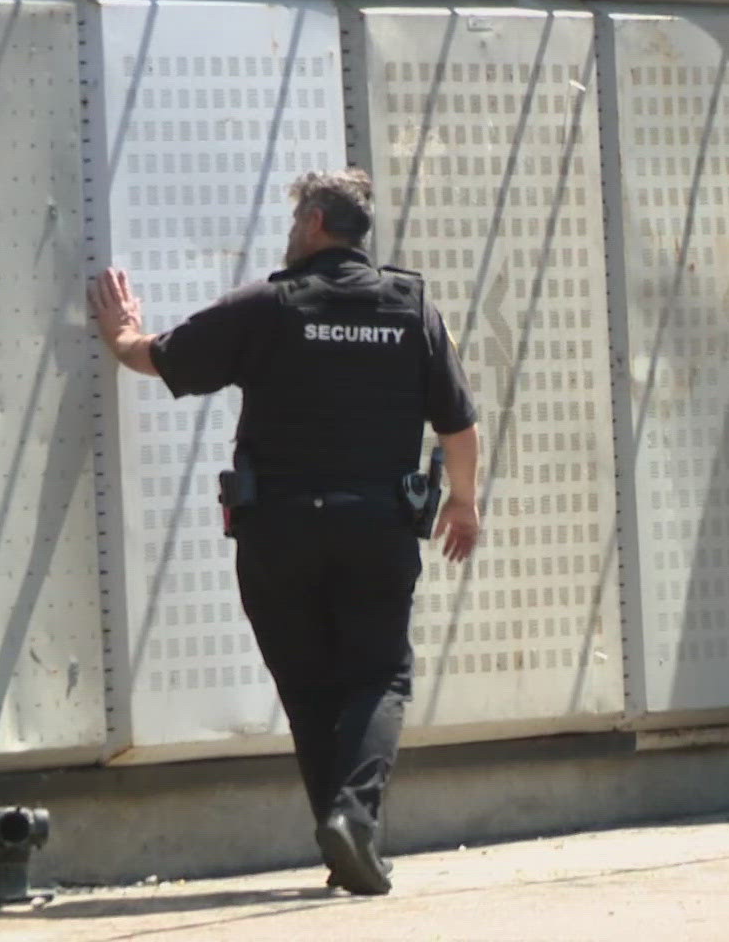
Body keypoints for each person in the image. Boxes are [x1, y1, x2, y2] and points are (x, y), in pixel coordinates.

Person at [87, 167, 482, 896]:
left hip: (279, 533)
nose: (292, 228)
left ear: (316, 225)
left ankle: (344, 842)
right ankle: (352, 823)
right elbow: (458, 424)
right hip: (376, 529)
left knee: (309, 689)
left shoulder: (269, 306)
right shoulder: (411, 307)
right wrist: (463, 502)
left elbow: (161, 356)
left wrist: (121, 333)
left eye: (299, 216)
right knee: (379, 675)